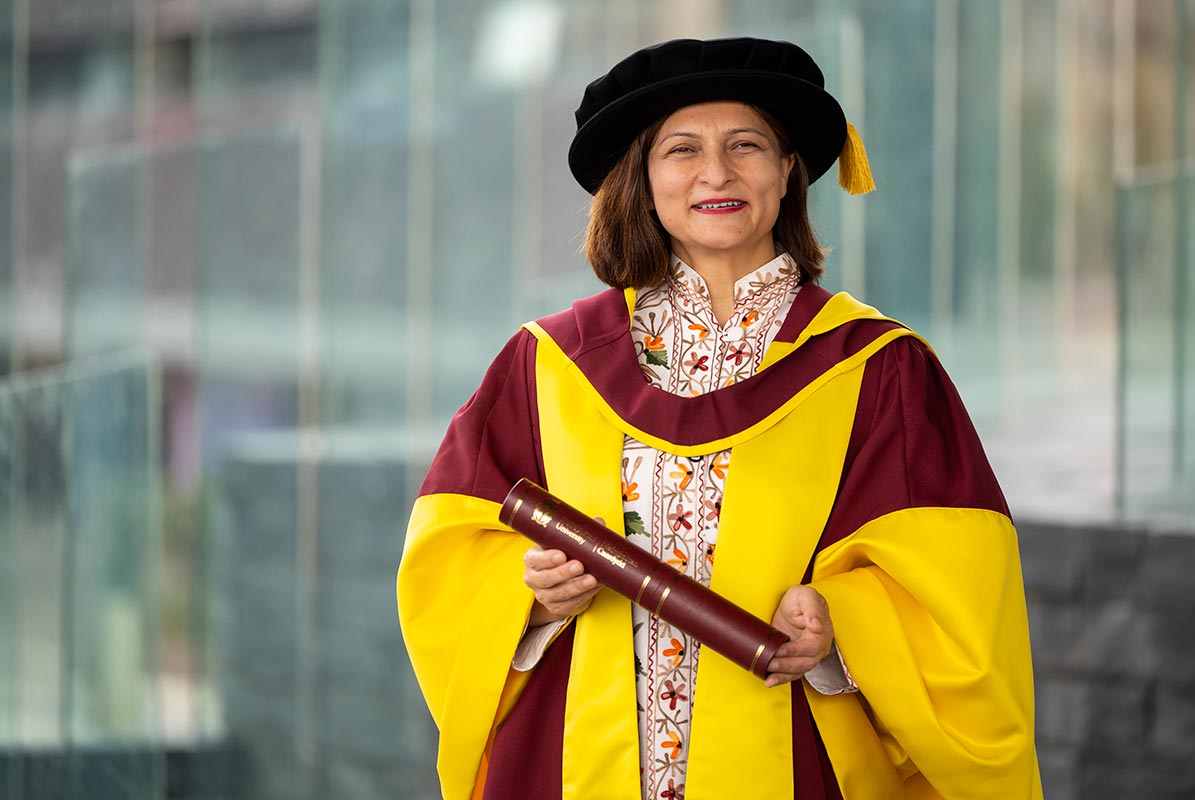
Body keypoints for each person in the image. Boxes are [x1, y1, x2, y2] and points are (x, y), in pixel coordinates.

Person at [398, 37, 1042, 800]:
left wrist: (842, 622)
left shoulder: (876, 368)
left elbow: (959, 593)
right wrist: (528, 596)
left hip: (794, 758)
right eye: (681, 150)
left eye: (747, 145)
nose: (716, 172)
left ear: (788, 169)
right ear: (643, 177)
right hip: (577, 762)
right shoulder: (547, 365)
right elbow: (449, 555)